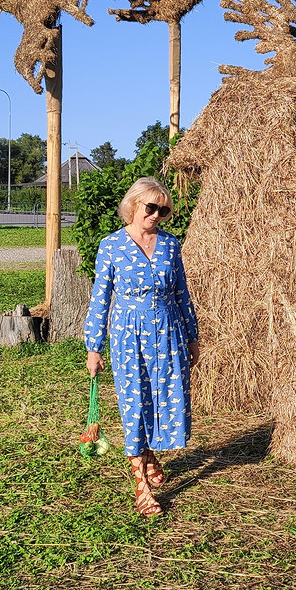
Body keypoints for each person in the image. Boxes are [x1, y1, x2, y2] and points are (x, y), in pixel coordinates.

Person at [84, 177, 200, 517]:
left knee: (164, 397)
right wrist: (94, 347)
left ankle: (149, 454)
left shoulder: (169, 245)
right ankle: (142, 487)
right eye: (152, 208)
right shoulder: (111, 246)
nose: (157, 215)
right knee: (134, 402)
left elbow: (182, 294)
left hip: (168, 332)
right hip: (127, 335)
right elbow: (100, 300)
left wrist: (192, 337)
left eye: (164, 211)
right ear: (134, 206)